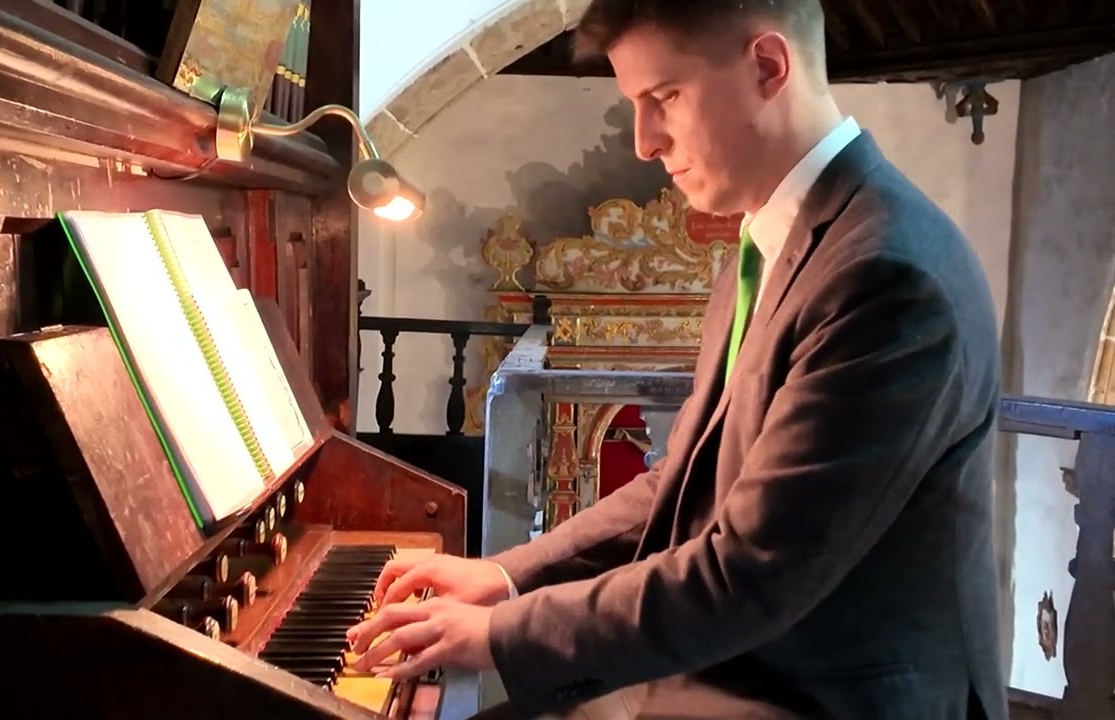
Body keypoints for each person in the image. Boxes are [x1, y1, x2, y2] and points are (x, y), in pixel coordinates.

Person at [346, 0, 1007, 717]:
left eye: (663, 98)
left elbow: (747, 576)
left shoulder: (883, 276)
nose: (643, 141)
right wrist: (506, 575)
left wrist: (502, 631)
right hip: (748, 666)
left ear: (767, 67)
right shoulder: (771, 241)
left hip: (822, 694)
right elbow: (682, 479)